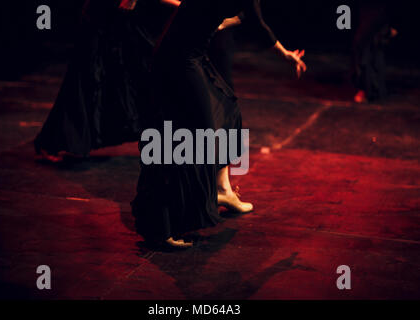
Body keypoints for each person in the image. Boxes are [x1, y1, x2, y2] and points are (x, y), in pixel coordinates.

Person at [132, 0, 306, 249]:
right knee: (190, 138)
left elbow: (242, 20)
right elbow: (244, 20)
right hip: (179, 59)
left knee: (224, 110)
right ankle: (161, 225)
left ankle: (216, 192)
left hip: (191, 57)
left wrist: (283, 51)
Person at [34, 0, 178, 162]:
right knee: (87, 76)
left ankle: (60, 141)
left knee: (124, 75)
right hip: (105, 14)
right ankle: (53, 141)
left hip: (120, 16)